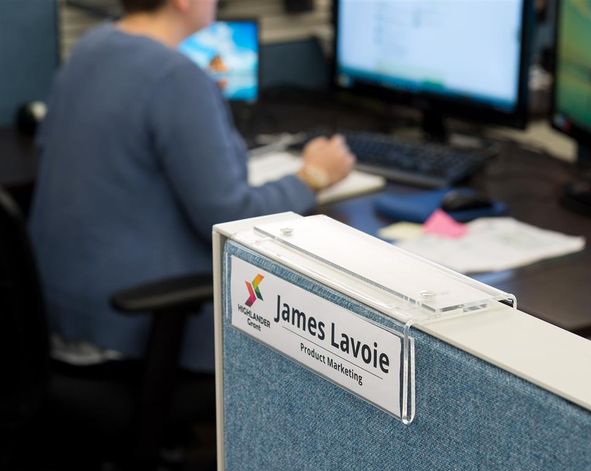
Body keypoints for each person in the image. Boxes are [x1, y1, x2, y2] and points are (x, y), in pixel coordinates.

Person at [29, 0, 355, 372]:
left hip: (56, 319)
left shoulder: (91, 48)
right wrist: (313, 176)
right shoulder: (175, 77)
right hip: (133, 329)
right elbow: (233, 217)